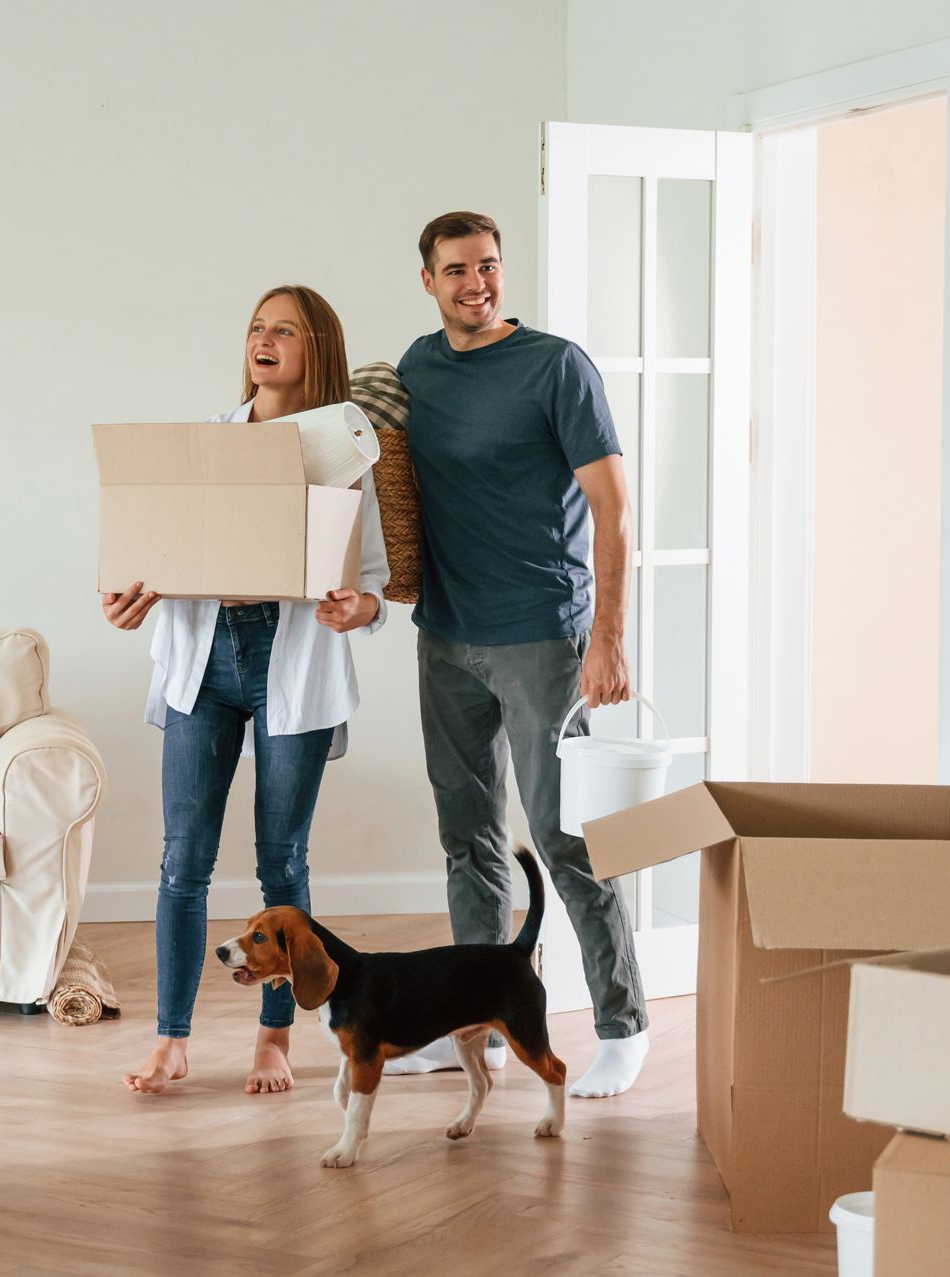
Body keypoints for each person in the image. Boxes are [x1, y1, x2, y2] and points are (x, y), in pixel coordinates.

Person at [387, 211, 650, 1098]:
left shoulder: (555, 365)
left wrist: (606, 637)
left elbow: (613, 505)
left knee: (563, 836)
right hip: (446, 637)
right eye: (457, 269)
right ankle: (478, 1025)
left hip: (543, 633)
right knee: (467, 840)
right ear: (428, 280)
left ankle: (623, 1023)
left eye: (489, 266)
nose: (477, 282)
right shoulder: (417, 370)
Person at [103, 284, 389, 1095]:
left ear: (315, 349)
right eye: (256, 328)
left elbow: (374, 584)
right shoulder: (206, 446)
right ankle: (172, 1038)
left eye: (283, 330)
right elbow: (153, 555)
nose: (263, 340)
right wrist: (129, 598)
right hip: (205, 661)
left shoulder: (343, 454)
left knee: (281, 862)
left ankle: (275, 1039)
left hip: (292, 662)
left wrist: (352, 606)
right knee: (181, 859)